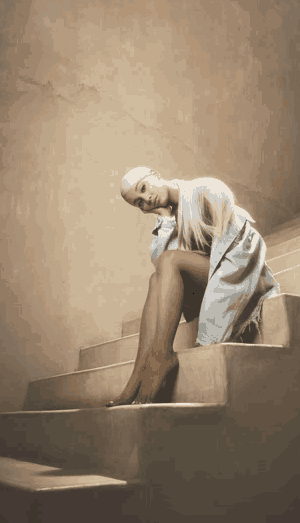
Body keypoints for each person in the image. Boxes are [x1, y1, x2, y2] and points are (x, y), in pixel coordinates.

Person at [106, 167, 280, 407]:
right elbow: (162, 269)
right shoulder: (170, 218)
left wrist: (213, 319)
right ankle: (136, 379)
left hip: (239, 274)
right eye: (139, 203)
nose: (146, 200)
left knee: (170, 261)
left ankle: (160, 359)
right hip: (210, 276)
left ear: (155, 175)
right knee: (155, 279)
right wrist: (166, 219)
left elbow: (238, 254)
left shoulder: (206, 190)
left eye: (144, 189)